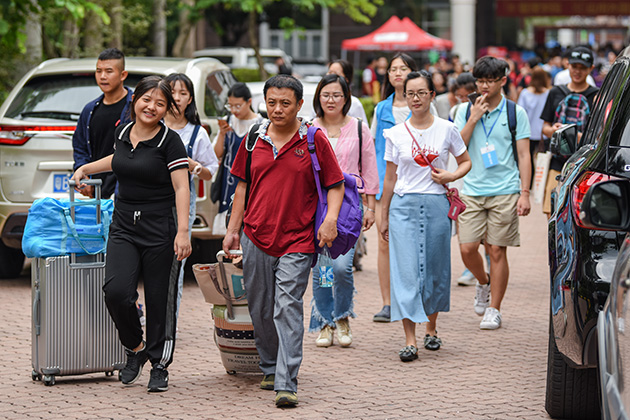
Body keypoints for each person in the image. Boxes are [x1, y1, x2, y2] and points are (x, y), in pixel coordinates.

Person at [222, 74, 344, 408]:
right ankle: (270, 365)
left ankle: (286, 381)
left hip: (298, 239)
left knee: (286, 306)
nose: (278, 109)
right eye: (272, 102)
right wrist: (234, 230)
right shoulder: (252, 139)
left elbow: (335, 184)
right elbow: (242, 189)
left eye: (285, 103)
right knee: (261, 307)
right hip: (256, 235)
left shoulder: (313, 139)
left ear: (299, 105)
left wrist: (330, 219)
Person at [71, 75, 192, 392]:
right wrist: (86, 168)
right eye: (146, 99)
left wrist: (183, 232)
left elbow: (182, 187)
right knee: (115, 292)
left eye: (160, 103)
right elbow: (120, 160)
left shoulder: (170, 142)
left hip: (159, 228)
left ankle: (159, 365)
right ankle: (135, 348)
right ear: (135, 100)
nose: (151, 107)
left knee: (157, 301)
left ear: (166, 110)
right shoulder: (124, 132)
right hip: (124, 224)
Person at [381, 71, 471, 361]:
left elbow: (465, 161)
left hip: (436, 206)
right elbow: (390, 180)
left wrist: (451, 175)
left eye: (422, 92)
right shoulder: (395, 134)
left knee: (435, 269)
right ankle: (410, 339)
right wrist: (383, 215)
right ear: (404, 96)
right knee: (406, 271)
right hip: (403, 207)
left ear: (433, 95)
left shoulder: (447, 129)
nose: (415, 98)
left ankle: (431, 328)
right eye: (410, 93)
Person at [454, 56, 532, 330]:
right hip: (471, 189)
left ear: (502, 81)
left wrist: (524, 192)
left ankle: (494, 309)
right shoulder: (463, 110)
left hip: (506, 190)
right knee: (467, 248)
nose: (484, 86)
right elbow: (456, 148)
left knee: (497, 249)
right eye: (480, 80)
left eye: (490, 80)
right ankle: (483, 282)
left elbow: (524, 154)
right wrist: (473, 118)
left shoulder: (515, 113)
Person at [309, 74, 379, 348]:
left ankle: (343, 315)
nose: (331, 100)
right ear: (318, 98)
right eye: (326, 95)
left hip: (350, 206)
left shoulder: (359, 128)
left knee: (341, 267)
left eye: (337, 95)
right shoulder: (309, 129)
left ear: (346, 98)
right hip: (317, 206)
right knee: (322, 267)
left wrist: (370, 207)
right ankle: (325, 321)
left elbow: (370, 169)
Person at [163, 73, 219, 316]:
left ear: (190, 100)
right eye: (172, 92)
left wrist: (192, 165)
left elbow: (210, 171)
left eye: (183, 93)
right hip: (147, 202)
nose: (176, 98)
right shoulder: (151, 126)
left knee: (175, 264)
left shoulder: (198, 133)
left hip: (181, 205)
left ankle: (169, 324)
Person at [370, 52, 418, 322]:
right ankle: (388, 303)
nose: (397, 73)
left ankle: (413, 299)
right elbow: (373, 146)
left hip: (417, 184)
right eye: (393, 69)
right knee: (384, 242)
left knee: (414, 244)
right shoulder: (381, 109)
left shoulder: (423, 106)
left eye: (403, 68)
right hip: (385, 186)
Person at [540, 46, 599, 216]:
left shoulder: (596, 96)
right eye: (574, 67)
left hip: (585, 166)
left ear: (590, 69)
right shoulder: (556, 92)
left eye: (582, 68)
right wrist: (554, 131)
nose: (577, 71)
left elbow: (601, 133)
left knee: (581, 214)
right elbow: (544, 127)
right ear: (567, 65)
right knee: (552, 213)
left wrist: (583, 138)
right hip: (558, 164)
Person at [72, 48, 133, 199]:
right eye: (98, 71)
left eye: (109, 71)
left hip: (126, 192)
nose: (103, 76)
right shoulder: (90, 110)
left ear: (122, 75)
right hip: (97, 191)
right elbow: (80, 146)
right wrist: (84, 175)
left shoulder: (135, 108)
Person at [212, 83, 264, 234]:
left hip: (252, 181)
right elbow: (216, 154)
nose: (234, 110)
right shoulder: (228, 121)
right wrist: (222, 134)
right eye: (230, 106)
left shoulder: (261, 124)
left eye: (238, 105)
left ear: (249, 102)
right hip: (229, 182)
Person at [517, 66, 551, 185]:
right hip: (544, 133)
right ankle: (541, 183)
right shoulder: (548, 93)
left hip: (528, 132)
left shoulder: (525, 93)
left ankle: (529, 182)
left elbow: (521, 112)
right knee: (544, 160)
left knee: (528, 157)